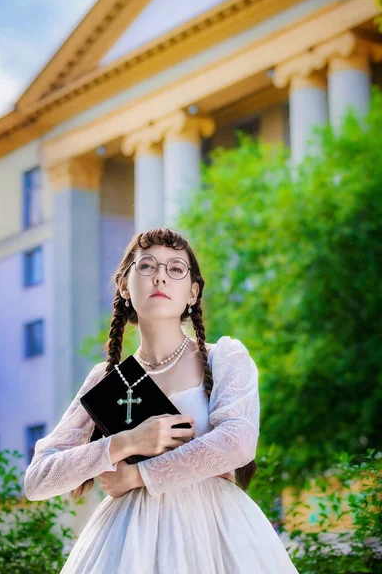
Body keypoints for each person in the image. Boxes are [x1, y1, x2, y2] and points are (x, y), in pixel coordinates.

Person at [24, 227, 299, 573]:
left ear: (192, 292)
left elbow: (237, 443)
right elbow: (37, 481)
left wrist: (137, 475)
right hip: (126, 545)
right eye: (148, 266)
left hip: (216, 536)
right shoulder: (107, 380)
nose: (161, 278)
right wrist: (125, 442)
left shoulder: (224, 358)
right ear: (125, 286)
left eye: (175, 269)